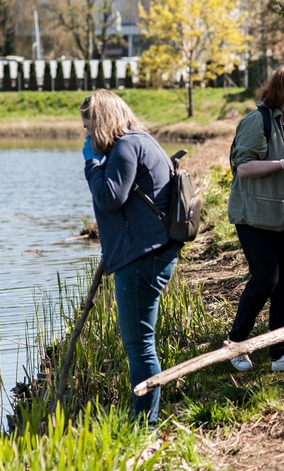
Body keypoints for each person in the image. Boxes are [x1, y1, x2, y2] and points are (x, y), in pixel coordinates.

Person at [80, 89, 181, 426]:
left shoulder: (126, 146)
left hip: (143, 257)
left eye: (88, 127)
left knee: (139, 346)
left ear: (102, 122)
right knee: (141, 344)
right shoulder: (139, 140)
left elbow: (110, 197)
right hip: (148, 251)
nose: (87, 135)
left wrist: (91, 165)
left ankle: (145, 425)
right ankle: (145, 419)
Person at [227, 64, 284, 372]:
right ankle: (236, 345)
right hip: (255, 218)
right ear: (279, 90)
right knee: (266, 280)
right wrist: (283, 163)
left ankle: (280, 355)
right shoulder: (258, 122)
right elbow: (244, 168)